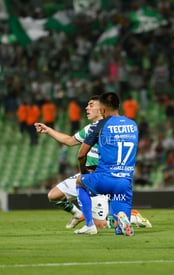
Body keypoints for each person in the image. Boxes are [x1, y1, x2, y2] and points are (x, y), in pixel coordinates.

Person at [34, 96, 109, 229]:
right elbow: (69, 141)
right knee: (53, 195)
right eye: (87, 105)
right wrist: (48, 130)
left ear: (101, 109)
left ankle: (132, 217)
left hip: (100, 178)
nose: (87, 108)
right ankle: (77, 213)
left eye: (91, 105)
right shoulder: (90, 128)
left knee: (100, 225)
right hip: (86, 176)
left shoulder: (110, 129)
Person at [75, 92, 139, 236]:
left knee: (79, 182)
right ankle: (121, 220)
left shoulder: (100, 125)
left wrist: (84, 171)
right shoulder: (132, 124)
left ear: (103, 109)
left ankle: (89, 225)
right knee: (119, 230)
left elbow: (81, 154)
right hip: (125, 182)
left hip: (105, 178)